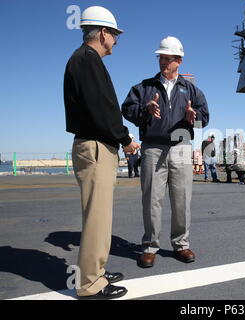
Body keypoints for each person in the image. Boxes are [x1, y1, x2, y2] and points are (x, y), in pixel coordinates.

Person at [64, 6, 140, 300]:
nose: (117, 41)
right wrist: (126, 139)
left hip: (95, 144)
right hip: (96, 146)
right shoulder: (87, 60)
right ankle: (89, 284)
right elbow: (101, 110)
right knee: (97, 216)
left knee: (99, 215)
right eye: (115, 35)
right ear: (104, 33)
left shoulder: (84, 60)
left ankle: (95, 271)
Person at [121, 36, 209, 268]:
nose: (163, 62)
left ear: (179, 61)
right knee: (152, 199)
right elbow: (127, 109)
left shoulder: (191, 90)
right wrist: (145, 109)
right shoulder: (145, 87)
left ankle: (181, 244)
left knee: (182, 199)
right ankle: (150, 246)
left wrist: (195, 116)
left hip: (181, 147)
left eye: (168, 58)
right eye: (161, 57)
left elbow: (204, 118)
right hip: (152, 147)